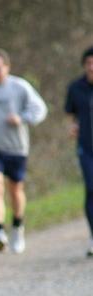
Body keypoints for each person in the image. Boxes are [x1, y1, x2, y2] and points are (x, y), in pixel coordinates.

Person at [0, 48, 48, 253]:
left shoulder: (19, 86)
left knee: (15, 190)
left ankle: (17, 226)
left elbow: (40, 109)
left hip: (16, 147)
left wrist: (22, 118)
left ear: (7, 67)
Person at [65, 45, 93, 257]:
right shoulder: (75, 88)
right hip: (86, 147)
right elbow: (71, 114)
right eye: (89, 64)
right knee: (91, 189)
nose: (92, 67)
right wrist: (73, 126)